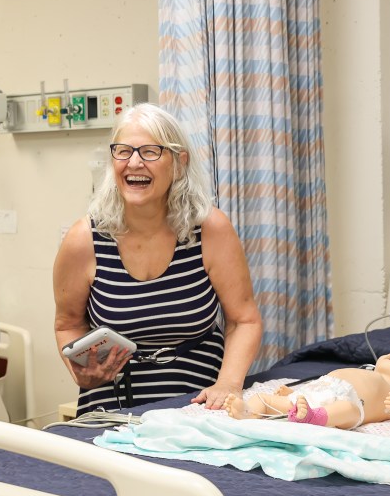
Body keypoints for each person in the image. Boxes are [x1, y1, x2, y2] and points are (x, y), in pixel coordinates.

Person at [53, 103, 263, 415]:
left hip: (195, 407)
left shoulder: (210, 230)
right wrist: (82, 369)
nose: (134, 163)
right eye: (123, 151)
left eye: (150, 151)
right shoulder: (84, 240)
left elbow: (244, 320)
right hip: (111, 412)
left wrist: (229, 384)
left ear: (179, 162)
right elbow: (67, 324)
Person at [225, 351, 390, 429]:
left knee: (348, 409)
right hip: (317, 391)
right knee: (264, 397)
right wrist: (294, 394)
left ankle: (313, 418)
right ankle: (248, 412)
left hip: (351, 404)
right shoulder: (369, 371)